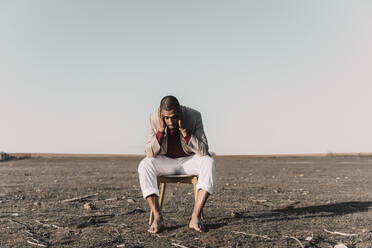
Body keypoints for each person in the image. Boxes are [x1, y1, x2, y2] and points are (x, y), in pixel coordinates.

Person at [138, 95, 216, 233]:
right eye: (166, 117)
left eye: (173, 117)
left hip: (189, 160)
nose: (170, 121)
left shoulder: (194, 115)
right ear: (160, 114)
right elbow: (149, 152)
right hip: (165, 162)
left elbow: (204, 150)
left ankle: (195, 217)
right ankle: (158, 217)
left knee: (209, 162)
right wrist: (161, 130)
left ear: (179, 111)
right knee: (145, 165)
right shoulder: (153, 119)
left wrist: (185, 132)